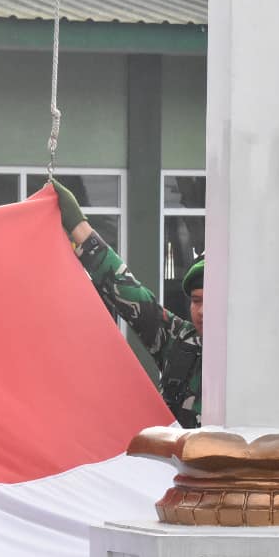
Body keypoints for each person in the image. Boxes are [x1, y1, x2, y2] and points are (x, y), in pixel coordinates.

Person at [53, 178, 202, 428]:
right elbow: (127, 292)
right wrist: (76, 223)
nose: (202, 311)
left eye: (212, 301)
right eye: (196, 301)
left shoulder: (253, 355)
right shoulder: (177, 341)